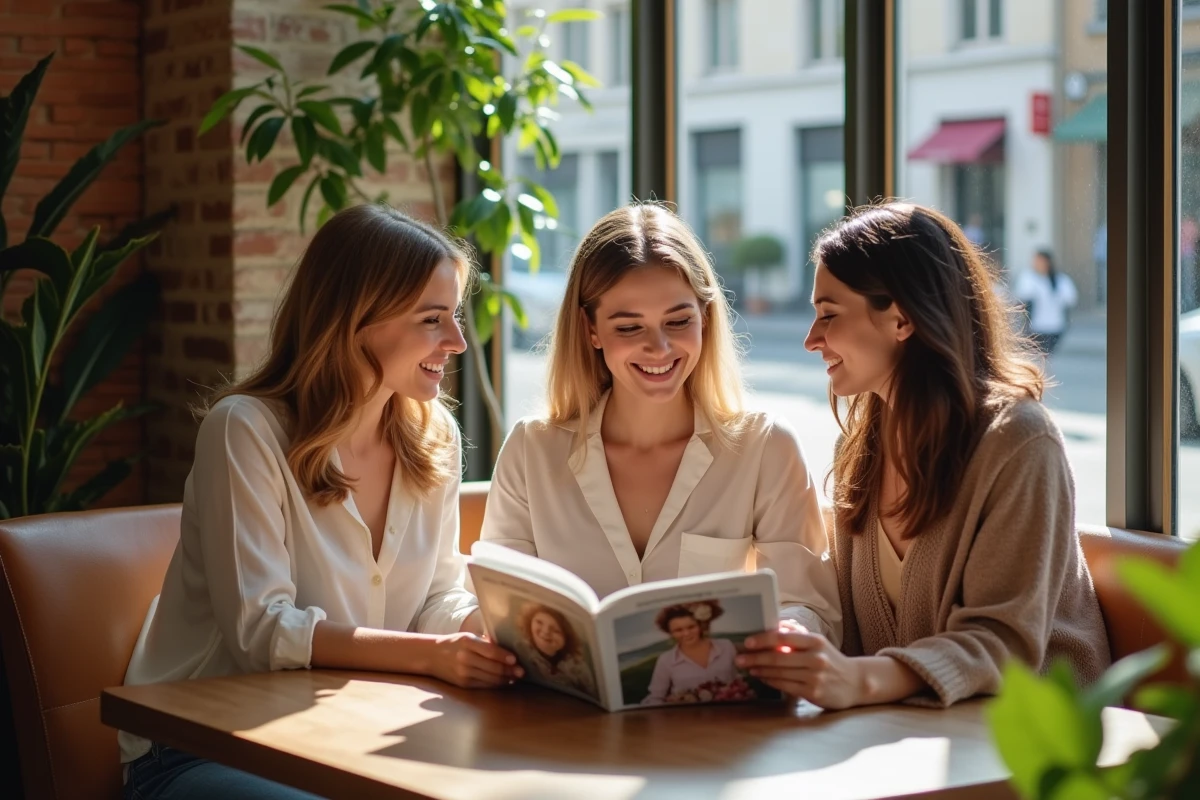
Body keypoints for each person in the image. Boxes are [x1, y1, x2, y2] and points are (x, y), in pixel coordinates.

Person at [119, 204, 522, 800]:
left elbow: (436, 595)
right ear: (357, 320)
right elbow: (261, 630)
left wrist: (503, 633)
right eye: (432, 319)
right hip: (198, 746)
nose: (458, 341)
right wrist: (433, 656)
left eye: (454, 316)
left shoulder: (432, 434)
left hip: (345, 738)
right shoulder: (245, 430)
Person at [737, 202, 1109, 710]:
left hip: (1038, 742)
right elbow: (853, 628)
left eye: (828, 314)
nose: (810, 340)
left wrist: (860, 680)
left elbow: (1004, 645)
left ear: (902, 318)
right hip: (912, 736)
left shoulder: (1019, 442)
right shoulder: (862, 442)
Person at [480, 202, 842, 643]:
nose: (660, 347)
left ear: (705, 320)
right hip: (563, 709)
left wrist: (785, 635)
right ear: (590, 329)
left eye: (678, 321)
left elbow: (808, 606)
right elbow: (499, 609)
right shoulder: (531, 451)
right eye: (629, 328)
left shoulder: (765, 447)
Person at [641, 601, 742, 705]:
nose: (686, 633)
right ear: (671, 633)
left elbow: (738, 680)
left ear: (700, 626)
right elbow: (656, 697)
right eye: (678, 630)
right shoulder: (665, 660)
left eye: (691, 627)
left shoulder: (726, 646)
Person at [512, 602, 598, 698]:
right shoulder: (521, 648)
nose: (545, 632)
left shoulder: (577, 666)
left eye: (556, 630)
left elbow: (592, 694)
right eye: (539, 622)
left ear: (567, 639)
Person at [1013, 249, 1078, 355]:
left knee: (1046, 356)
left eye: (1039, 261)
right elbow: (1023, 295)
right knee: (1038, 357)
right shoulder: (1029, 277)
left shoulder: (1060, 280)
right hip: (1035, 326)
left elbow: (1070, 299)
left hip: (1055, 325)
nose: (1036, 264)